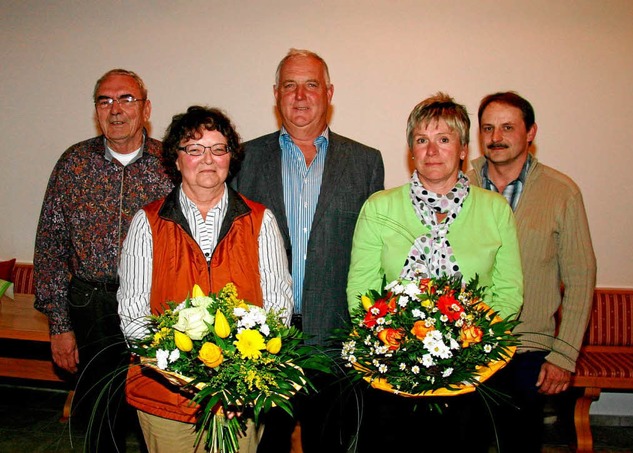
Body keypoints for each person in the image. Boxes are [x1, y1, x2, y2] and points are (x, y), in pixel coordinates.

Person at [347, 92, 524, 453]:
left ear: (462, 149)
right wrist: (395, 348)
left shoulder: (494, 210)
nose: (431, 151)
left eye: (443, 140)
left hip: (472, 373)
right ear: (411, 150)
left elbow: (508, 292)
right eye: (421, 140)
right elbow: (361, 291)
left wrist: (469, 348)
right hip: (392, 372)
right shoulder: (379, 208)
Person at [232, 49, 384, 453]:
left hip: (334, 335)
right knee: (265, 444)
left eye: (311, 85)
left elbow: (372, 255)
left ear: (329, 92)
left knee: (328, 442)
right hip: (261, 337)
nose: (300, 96)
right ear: (276, 94)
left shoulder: (365, 162)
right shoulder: (244, 159)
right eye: (289, 86)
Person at [117, 106, 294, 453]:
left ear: (231, 157)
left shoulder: (261, 221)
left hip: (238, 394)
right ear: (176, 159)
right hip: (165, 394)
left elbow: (278, 306)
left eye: (218, 148)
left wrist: (237, 374)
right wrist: (182, 368)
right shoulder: (147, 223)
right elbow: (133, 312)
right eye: (194, 149)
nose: (208, 159)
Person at [34, 68, 173, 452]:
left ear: (146, 109)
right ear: (96, 110)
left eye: (127, 98)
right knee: (100, 415)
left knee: (157, 412)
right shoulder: (73, 164)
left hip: (155, 308)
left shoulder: (171, 164)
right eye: (105, 100)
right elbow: (50, 245)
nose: (116, 109)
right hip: (90, 307)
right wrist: (60, 326)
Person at [467, 91, 597, 453]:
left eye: (508, 127)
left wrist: (564, 356)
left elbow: (581, 277)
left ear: (531, 133)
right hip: (467, 347)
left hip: (529, 350)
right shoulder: (460, 184)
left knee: (520, 444)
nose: (496, 137)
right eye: (488, 128)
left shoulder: (561, 192)